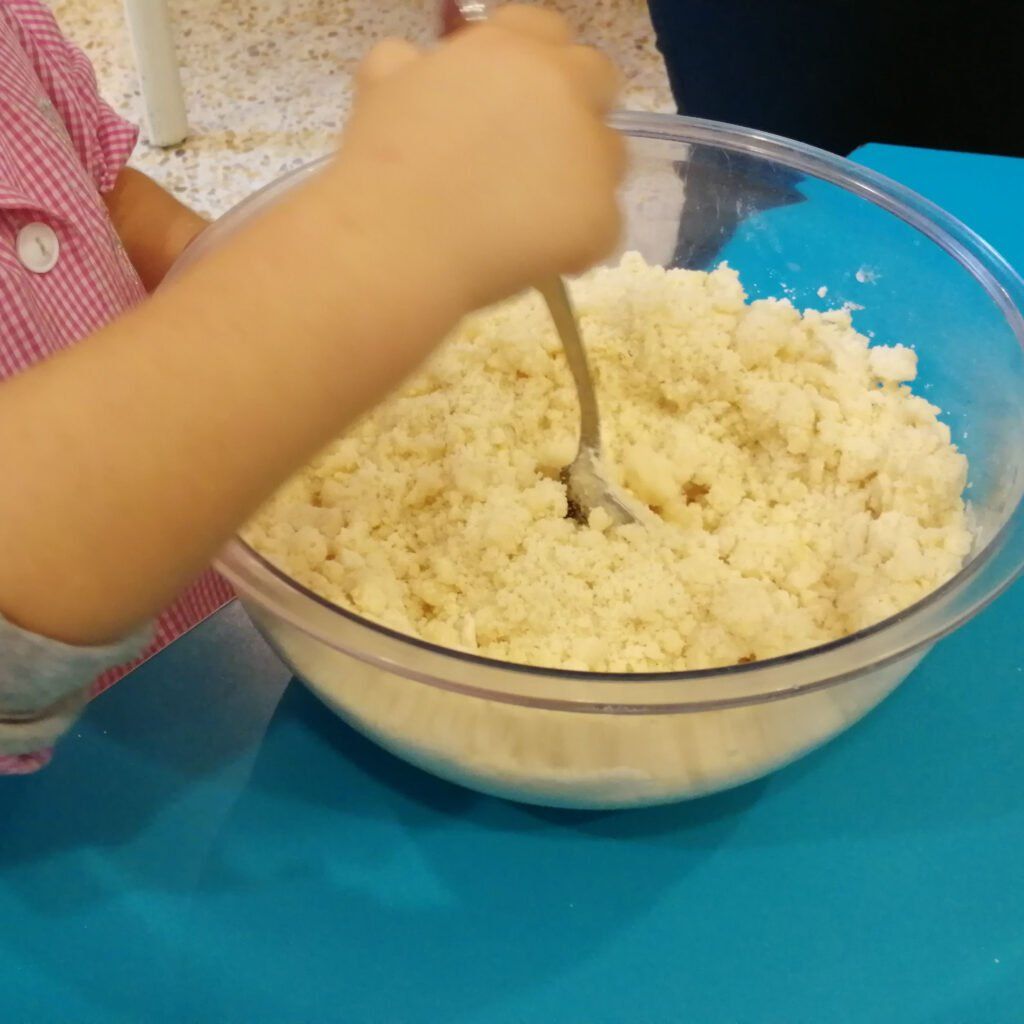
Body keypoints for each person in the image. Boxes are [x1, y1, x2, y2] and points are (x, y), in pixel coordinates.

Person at [0, 1, 623, 771]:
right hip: (66, 799)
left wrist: (217, 261)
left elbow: (98, 194)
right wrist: (372, 241)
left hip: (219, 634)